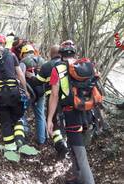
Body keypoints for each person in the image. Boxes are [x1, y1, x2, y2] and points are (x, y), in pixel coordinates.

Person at [47, 40, 97, 184]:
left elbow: (54, 95)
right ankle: (77, 176)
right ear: (74, 53)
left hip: (71, 114)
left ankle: (87, 180)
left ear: (61, 54)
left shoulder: (58, 69)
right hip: (88, 113)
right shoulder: (86, 66)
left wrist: (50, 118)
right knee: (76, 148)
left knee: (80, 154)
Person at [0, 33, 29, 148]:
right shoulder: (12, 55)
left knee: (5, 123)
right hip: (14, 93)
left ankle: (10, 149)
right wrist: (26, 90)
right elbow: (20, 75)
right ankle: (19, 140)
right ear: (3, 43)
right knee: (18, 118)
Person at [26, 45, 68, 156]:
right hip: (68, 98)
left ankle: (60, 146)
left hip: (53, 98)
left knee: (54, 122)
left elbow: (38, 82)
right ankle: (67, 143)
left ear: (50, 54)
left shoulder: (47, 66)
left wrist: (30, 76)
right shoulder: (66, 63)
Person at [19, 44, 47, 145]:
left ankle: (24, 134)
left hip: (28, 91)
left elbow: (20, 76)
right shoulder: (42, 61)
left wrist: (24, 90)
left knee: (21, 112)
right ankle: (41, 140)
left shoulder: (23, 62)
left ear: (23, 54)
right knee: (40, 114)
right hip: (41, 91)